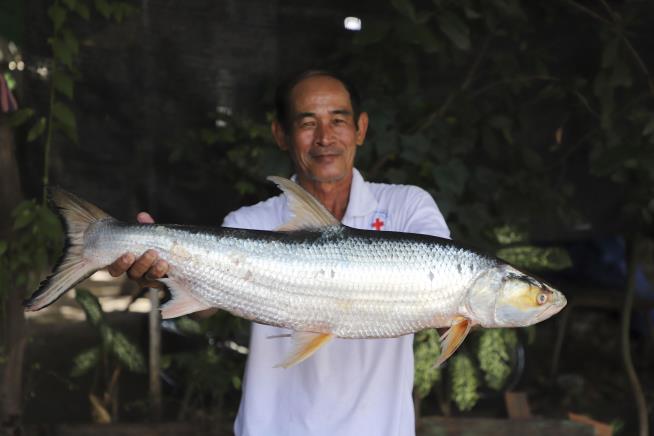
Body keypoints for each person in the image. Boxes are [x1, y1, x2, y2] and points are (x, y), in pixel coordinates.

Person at [108, 70, 450, 435]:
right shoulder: (250, 220)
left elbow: (445, 297)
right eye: (307, 123)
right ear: (281, 135)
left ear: (361, 129)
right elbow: (207, 303)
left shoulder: (409, 207)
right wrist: (163, 273)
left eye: (338, 120)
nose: (325, 138)